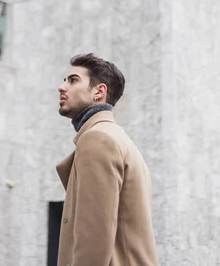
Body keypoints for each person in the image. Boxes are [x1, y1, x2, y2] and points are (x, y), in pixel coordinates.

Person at [56, 53, 158, 266]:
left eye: (73, 80)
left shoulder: (97, 139)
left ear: (99, 92)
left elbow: (94, 237)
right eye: (65, 80)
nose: (62, 87)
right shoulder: (117, 138)